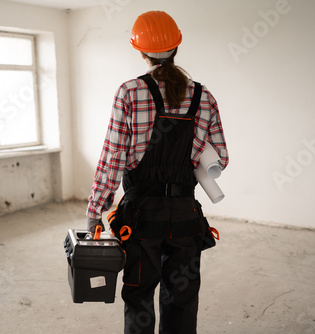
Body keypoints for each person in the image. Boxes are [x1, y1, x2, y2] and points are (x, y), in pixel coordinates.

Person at [86, 10, 228, 334]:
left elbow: (112, 159)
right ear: (177, 46)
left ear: (141, 51)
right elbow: (221, 157)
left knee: (139, 297)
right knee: (181, 299)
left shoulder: (129, 92)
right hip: (185, 216)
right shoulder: (203, 96)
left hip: (140, 219)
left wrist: (95, 209)